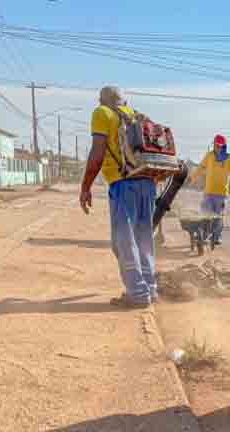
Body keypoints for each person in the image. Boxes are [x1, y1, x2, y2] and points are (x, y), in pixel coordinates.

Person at [80, 86, 156, 309]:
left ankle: (138, 294)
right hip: (147, 182)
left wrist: (86, 186)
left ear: (101, 100)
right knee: (144, 240)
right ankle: (150, 289)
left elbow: (98, 152)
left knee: (124, 242)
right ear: (124, 100)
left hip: (124, 184)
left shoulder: (102, 113)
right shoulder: (135, 116)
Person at [189, 134, 230, 245]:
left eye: (220, 145)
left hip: (221, 194)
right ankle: (203, 237)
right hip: (208, 192)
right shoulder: (209, 156)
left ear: (224, 146)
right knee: (205, 215)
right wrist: (192, 179)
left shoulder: (229, 159)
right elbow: (200, 168)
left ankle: (216, 237)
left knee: (218, 217)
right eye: (216, 145)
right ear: (213, 145)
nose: (218, 148)